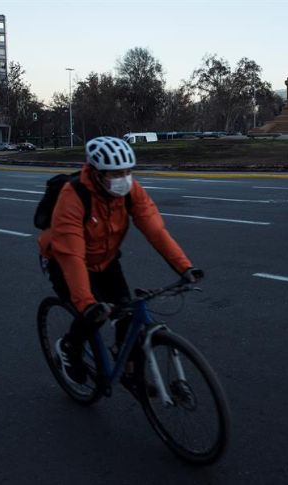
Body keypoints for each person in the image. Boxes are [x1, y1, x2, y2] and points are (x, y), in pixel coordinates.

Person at [38, 136, 203, 386]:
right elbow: (71, 255)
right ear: (95, 173)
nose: (124, 178)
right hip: (64, 260)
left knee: (126, 310)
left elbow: (155, 230)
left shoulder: (129, 190)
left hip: (105, 259)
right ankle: (69, 350)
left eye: (128, 171)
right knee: (93, 315)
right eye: (115, 173)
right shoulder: (73, 196)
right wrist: (88, 304)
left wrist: (185, 267)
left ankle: (125, 364)